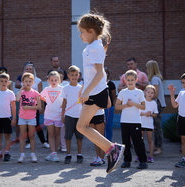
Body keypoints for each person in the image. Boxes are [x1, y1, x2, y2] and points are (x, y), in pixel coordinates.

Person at [76, 13, 124, 174]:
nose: (80, 35)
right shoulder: (90, 47)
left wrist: (88, 91)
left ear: (90, 31)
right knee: (82, 126)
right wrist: (83, 89)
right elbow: (90, 74)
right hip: (93, 91)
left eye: (81, 31)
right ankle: (112, 149)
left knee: (81, 126)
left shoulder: (95, 47)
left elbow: (99, 73)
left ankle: (113, 149)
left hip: (96, 93)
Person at [115, 70, 148, 169]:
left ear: (136, 80)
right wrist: (125, 105)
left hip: (135, 121)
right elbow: (117, 106)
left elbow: (143, 107)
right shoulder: (122, 92)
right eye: (128, 80)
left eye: (132, 80)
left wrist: (133, 104)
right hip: (124, 121)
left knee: (138, 142)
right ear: (125, 80)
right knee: (126, 143)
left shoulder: (139, 92)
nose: (130, 82)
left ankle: (143, 161)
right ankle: (127, 161)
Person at [15, 62, 49, 149]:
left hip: (34, 107)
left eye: (30, 69)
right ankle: (28, 141)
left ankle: (43, 141)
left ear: (33, 70)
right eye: (27, 69)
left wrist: (41, 107)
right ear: (24, 70)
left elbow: (41, 95)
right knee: (25, 125)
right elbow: (18, 90)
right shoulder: (23, 81)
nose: (29, 70)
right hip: (24, 107)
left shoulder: (38, 81)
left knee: (36, 124)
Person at [0, 73, 16, 162]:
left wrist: (14, 118)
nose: (4, 83)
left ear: (8, 82)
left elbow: (13, 106)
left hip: (7, 117)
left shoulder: (10, 93)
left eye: (5, 81)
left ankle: (7, 152)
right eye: (2, 81)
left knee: (7, 135)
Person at [16, 72, 41, 163]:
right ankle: (22, 154)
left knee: (31, 136)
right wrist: (21, 89)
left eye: (30, 81)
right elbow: (17, 99)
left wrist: (29, 107)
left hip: (31, 118)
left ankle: (33, 154)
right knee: (22, 136)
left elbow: (39, 107)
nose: (28, 83)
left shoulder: (35, 93)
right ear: (23, 82)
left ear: (33, 82)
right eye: (26, 81)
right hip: (22, 117)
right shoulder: (21, 92)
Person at [61, 65, 83, 164]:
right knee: (68, 136)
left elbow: (83, 103)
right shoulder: (65, 88)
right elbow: (64, 102)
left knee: (79, 136)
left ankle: (79, 154)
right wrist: (62, 115)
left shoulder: (81, 88)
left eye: (76, 74)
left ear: (78, 75)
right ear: (68, 76)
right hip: (69, 115)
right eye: (72, 75)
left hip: (79, 115)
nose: (74, 77)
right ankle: (68, 154)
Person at [40, 71, 64, 162]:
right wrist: (46, 101)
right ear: (48, 80)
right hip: (49, 115)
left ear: (59, 80)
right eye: (52, 80)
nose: (54, 81)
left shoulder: (62, 89)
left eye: (56, 80)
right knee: (50, 134)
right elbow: (40, 96)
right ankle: (52, 153)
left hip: (58, 115)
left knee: (57, 134)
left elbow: (66, 99)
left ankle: (55, 153)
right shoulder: (46, 89)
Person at [146, 60, 166, 155]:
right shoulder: (156, 78)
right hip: (157, 104)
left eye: (147, 68)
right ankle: (155, 146)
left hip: (157, 104)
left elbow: (156, 94)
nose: (146, 69)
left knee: (157, 127)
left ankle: (159, 147)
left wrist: (145, 96)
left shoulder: (154, 79)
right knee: (155, 126)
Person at [139, 85, 158, 163]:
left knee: (150, 140)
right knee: (140, 140)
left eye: (152, 93)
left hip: (149, 124)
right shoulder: (141, 102)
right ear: (145, 92)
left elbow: (155, 114)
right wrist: (144, 114)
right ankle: (140, 155)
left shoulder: (154, 103)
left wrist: (150, 114)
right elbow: (138, 113)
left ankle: (150, 156)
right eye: (148, 92)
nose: (150, 94)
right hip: (141, 123)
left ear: (154, 94)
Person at [104, 66, 116, 141]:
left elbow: (113, 95)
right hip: (99, 107)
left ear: (108, 73)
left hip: (109, 108)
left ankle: (108, 141)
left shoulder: (111, 84)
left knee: (108, 125)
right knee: (101, 125)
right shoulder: (98, 83)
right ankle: (101, 141)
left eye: (106, 72)